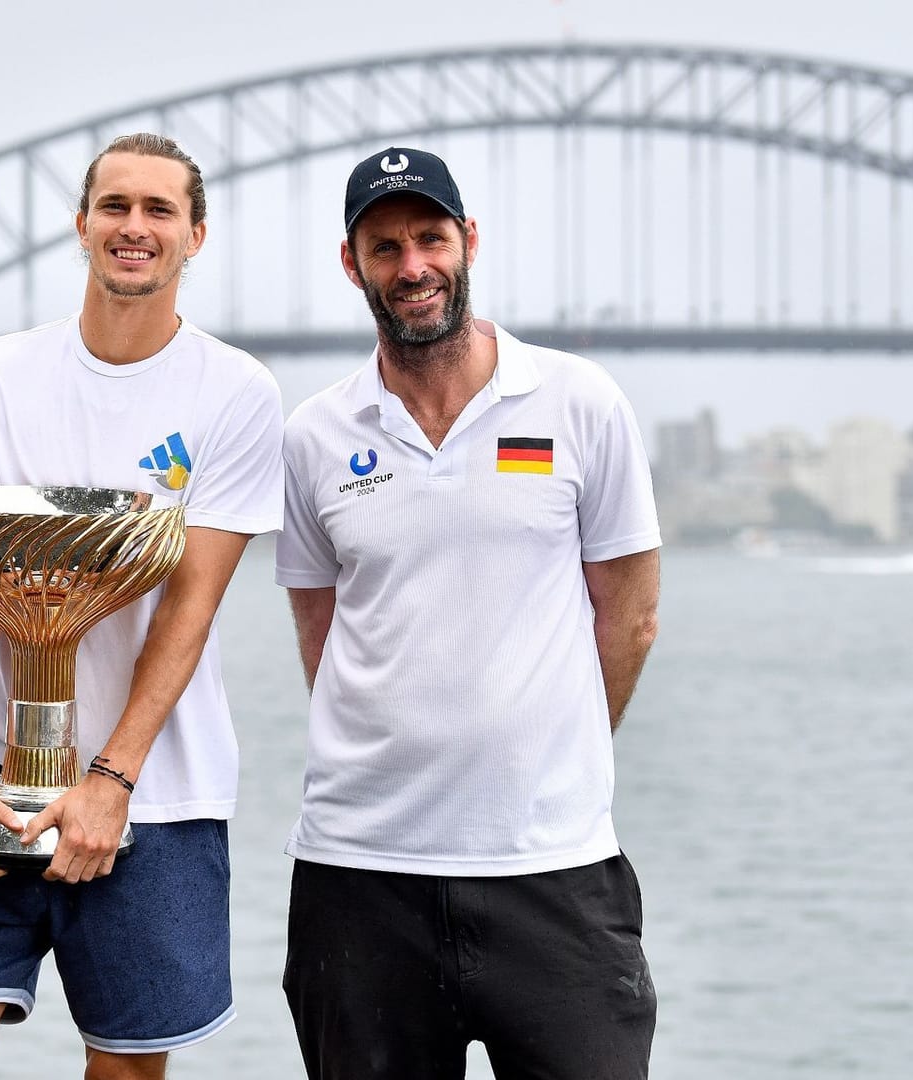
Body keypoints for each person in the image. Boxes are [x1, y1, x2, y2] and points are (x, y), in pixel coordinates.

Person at [0, 133, 284, 1079]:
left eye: (158, 211)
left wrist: (111, 781)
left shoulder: (236, 392)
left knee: (123, 1071)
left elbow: (188, 609)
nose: (134, 228)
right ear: (81, 225)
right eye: (115, 207)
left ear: (196, 235)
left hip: (155, 791)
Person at [274, 147, 663, 1079]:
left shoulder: (579, 403)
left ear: (468, 241)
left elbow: (632, 616)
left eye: (430, 238)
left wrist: (542, 748)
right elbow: (321, 633)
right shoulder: (314, 436)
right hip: (359, 877)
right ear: (351, 262)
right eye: (385, 247)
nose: (413, 267)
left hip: (554, 873)